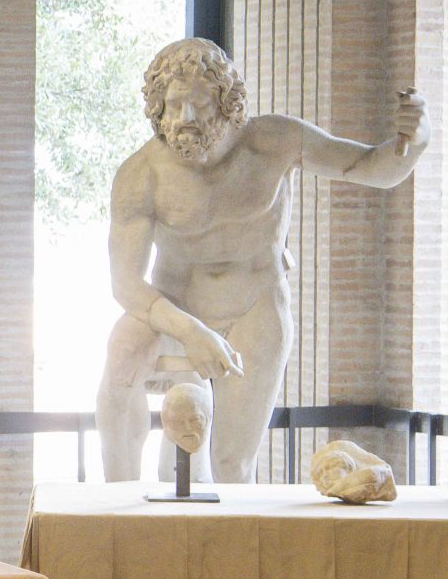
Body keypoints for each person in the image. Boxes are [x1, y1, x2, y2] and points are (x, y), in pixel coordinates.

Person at [96, 37, 429, 483]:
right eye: (174, 105)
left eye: (199, 104)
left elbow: (373, 168)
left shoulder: (274, 142)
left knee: (231, 463)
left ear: (225, 102)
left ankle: (222, 521)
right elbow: (125, 284)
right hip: (175, 307)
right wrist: (192, 331)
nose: (186, 117)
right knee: (122, 355)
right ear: (158, 106)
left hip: (254, 305)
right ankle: (116, 497)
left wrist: (413, 142)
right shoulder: (141, 174)